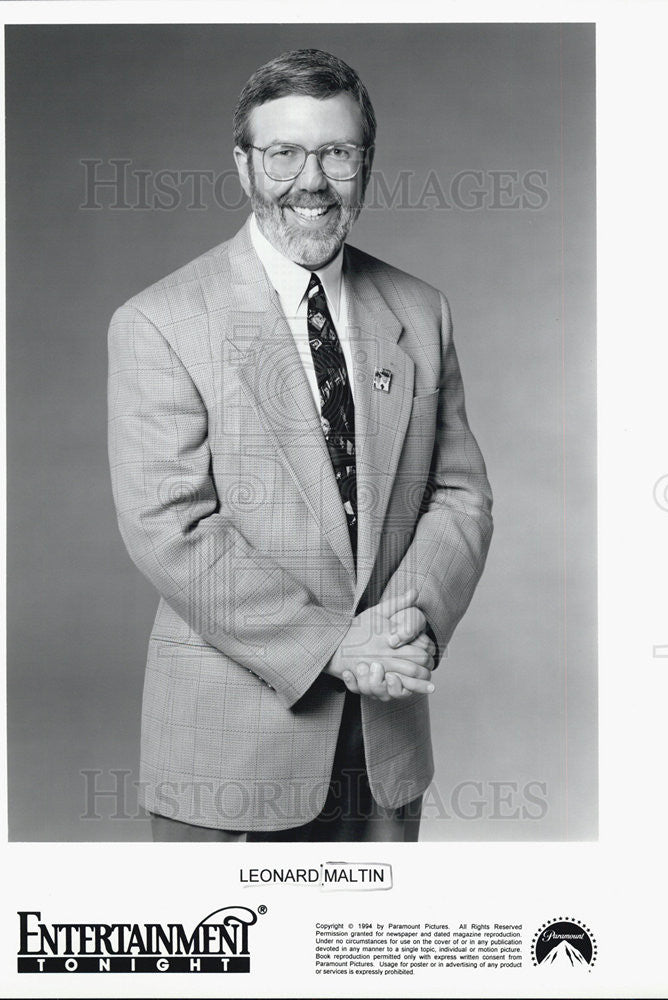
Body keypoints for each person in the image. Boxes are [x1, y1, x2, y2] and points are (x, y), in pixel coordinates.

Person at [107, 48, 493, 842]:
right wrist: (335, 647)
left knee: (362, 964)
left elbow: (459, 494)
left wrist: (398, 634)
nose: (310, 180)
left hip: (383, 743)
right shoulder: (159, 322)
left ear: (366, 164)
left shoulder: (422, 311)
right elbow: (169, 528)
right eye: (283, 153)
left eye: (336, 152)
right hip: (228, 753)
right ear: (244, 166)